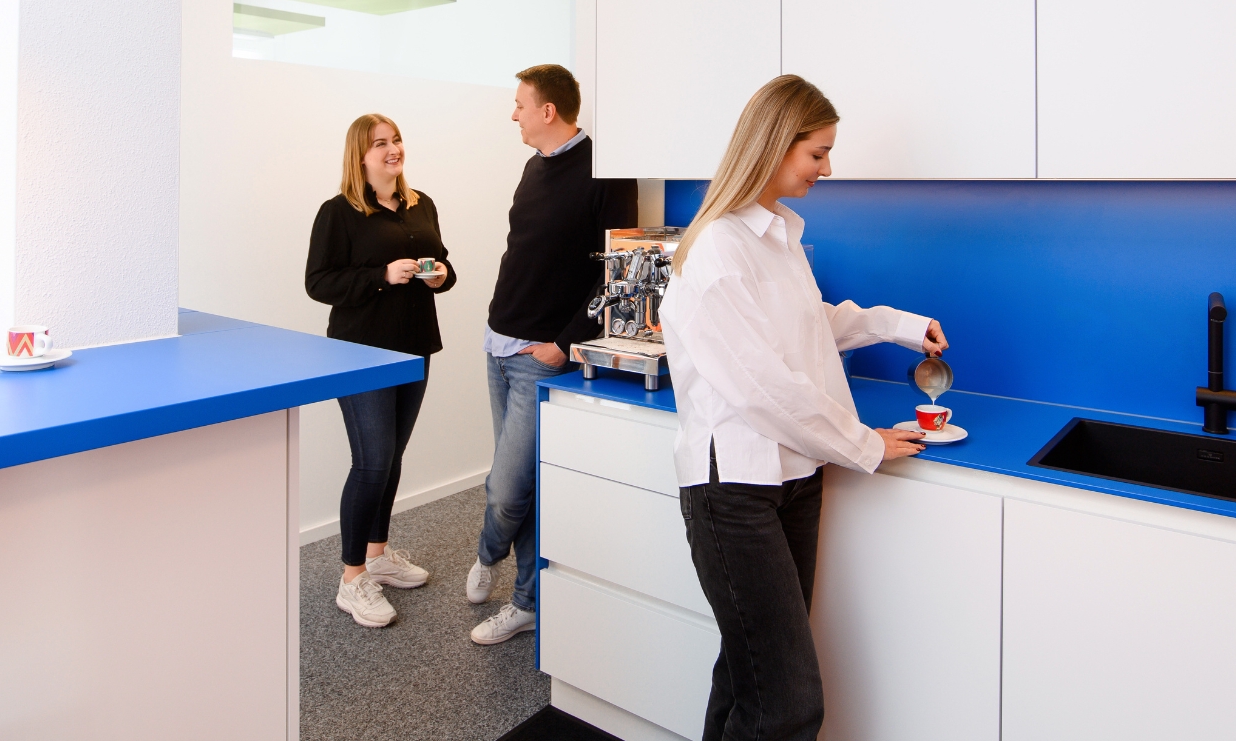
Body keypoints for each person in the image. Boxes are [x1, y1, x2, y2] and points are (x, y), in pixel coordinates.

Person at [660, 75, 949, 741]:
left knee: (749, 678)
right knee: (787, 703)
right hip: (734, 490)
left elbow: (807, 325)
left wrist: (901, 326)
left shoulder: (776, 235)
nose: (828, 168)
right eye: (818, 152)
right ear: (773, 144)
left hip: (793, 479)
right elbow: (763, 387)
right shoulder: (719, 248)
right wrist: (863, 442)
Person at [467, 64, 638, 645]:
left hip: (538, 356)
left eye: (520, 104)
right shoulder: (533, 166)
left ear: (548, 111)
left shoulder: (607, 173)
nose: (512, 114)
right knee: (523, 485)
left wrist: (564, 344)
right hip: (498, 342)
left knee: (505, 489)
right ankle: (526, 602)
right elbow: (522, 251)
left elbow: (616, 275)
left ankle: (486, 553)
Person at [306, 114, 455, 628]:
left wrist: (439, 276)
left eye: (397, 140)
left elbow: (444, 264)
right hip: (361, 353)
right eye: (380, 144)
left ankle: (377, 556)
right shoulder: (338, 212)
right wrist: (381, 275)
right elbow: (319, 283)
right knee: (370, 463)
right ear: (361, 155)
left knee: (390, 459)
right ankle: (352, 580)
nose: (393, 150)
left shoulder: (421, 204)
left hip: (414, 348)